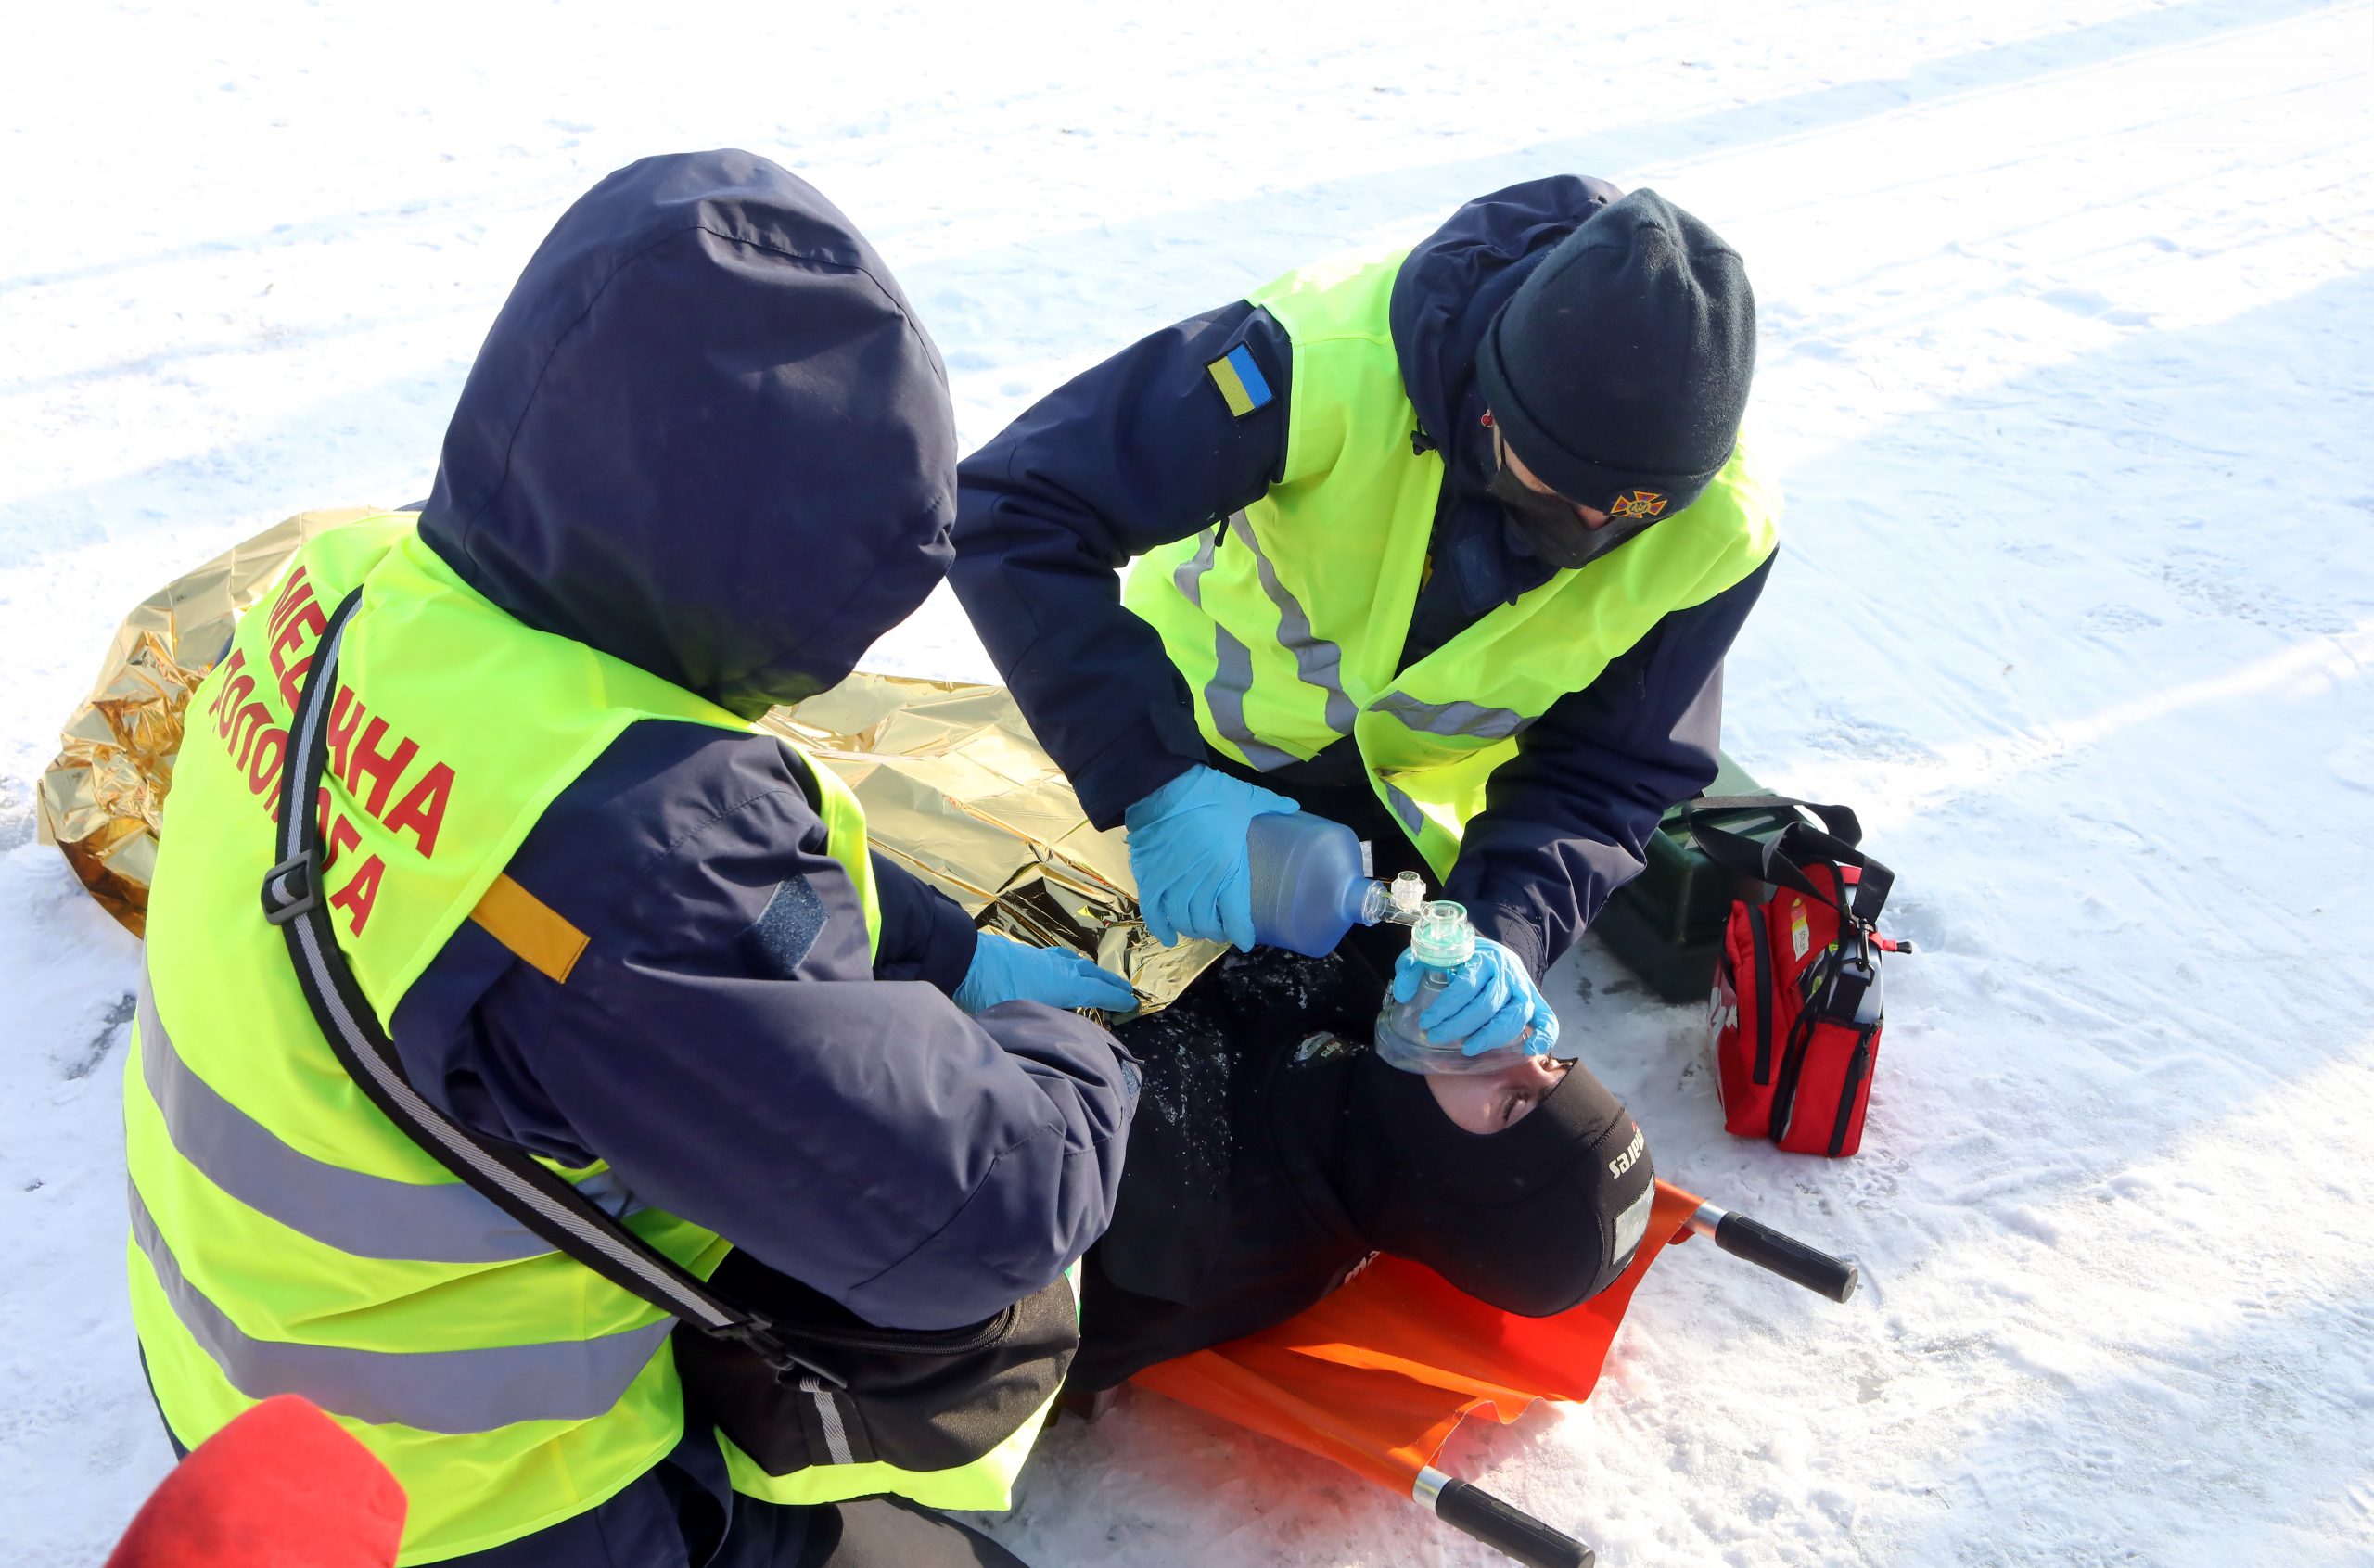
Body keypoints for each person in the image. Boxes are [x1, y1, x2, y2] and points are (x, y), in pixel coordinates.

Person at [125, 151, 1141, 1568]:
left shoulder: (356, 578)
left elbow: (635, 904)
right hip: (472, 1496)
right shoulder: (627, 851)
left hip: (244, 1390)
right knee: (971, 1297)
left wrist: (943, 949)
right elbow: (983, 1204)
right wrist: (1074, 1053)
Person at [951, 175, 1781, 1058]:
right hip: (1180, 735)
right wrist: (1150, 778)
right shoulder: (1318, 359)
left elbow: (1608, 771)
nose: (1592, 532)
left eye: (1632, 516)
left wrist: (1509, 926)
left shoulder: (1720, 530)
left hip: (1398, 812)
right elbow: (1010, 509)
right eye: (1564, 490)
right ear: (1493, 405)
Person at [1071, 945, 1656, 1392]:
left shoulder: (1167, 1218)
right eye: (1551, 1060)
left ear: (1453, 1187)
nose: (1517, 1047)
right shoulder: (1380, 1045)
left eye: (1515, 1103)